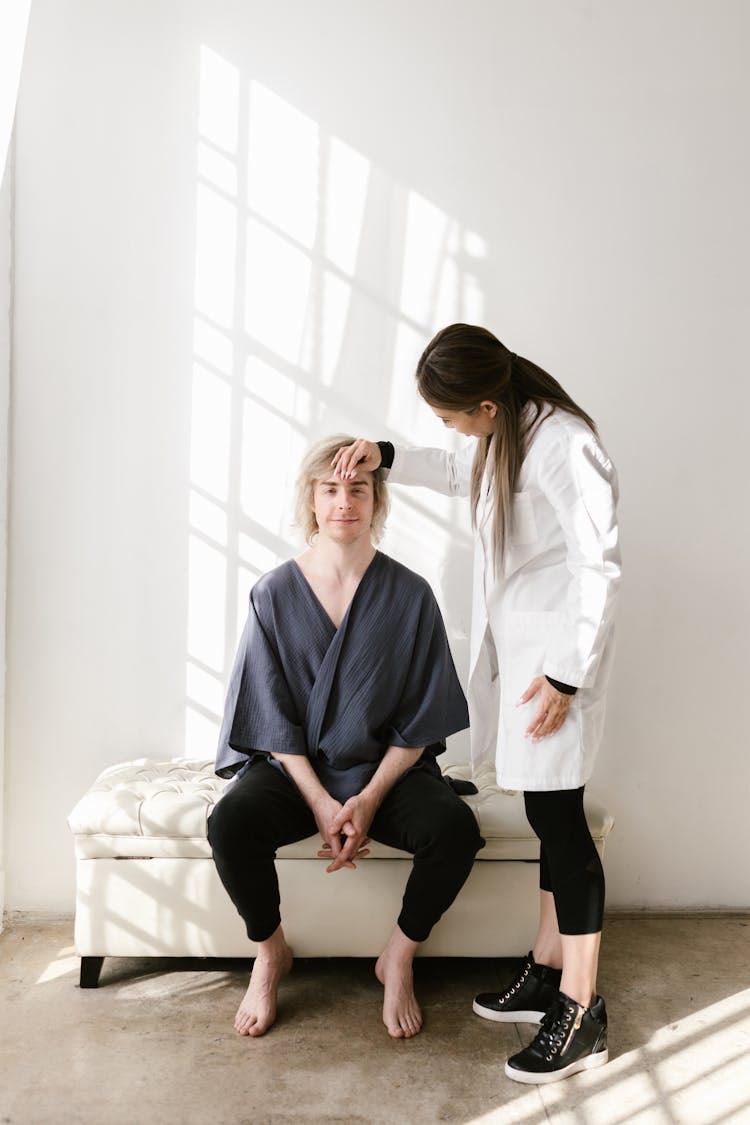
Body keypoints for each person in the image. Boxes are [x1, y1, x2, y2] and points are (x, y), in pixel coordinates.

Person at [333, 324, 621, 1084]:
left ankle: (581, 1006)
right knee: (544, 815)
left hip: (556, 662)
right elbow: (458, 464)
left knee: (564, 825)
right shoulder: (505, 431)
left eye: (453, 416)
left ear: (488, 403)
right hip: (528, 658)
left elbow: (599, 563)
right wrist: (385, 456)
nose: (450, 430)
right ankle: (546, 963)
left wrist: (566, 675)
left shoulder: (565, 443)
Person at [208, 434, 484, 1041]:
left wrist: (367, 799)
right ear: (311, 498)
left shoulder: (410, 595)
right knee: (230, 823)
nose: (344, 502)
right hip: (295, 774)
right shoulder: (274, 593)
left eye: (357, 488)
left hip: (386, 770)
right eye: (330, 489)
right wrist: (322, 802)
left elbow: (420, 718)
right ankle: (270, 951)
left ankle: (398, 956)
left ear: (376, 498)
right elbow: (272, 720)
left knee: (455, 830)